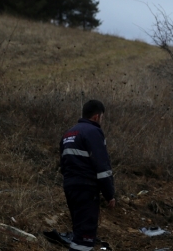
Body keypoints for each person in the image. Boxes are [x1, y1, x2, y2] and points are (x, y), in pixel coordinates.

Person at [60, 100, 115, 251]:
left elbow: (63, 165)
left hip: (70, 187)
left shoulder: (68, 134)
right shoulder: (93, 132)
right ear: (97, 117)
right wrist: (109, 194)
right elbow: (102, 167)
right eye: (102, 117)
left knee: (79, 231)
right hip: (86, 189)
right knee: (85, 236)